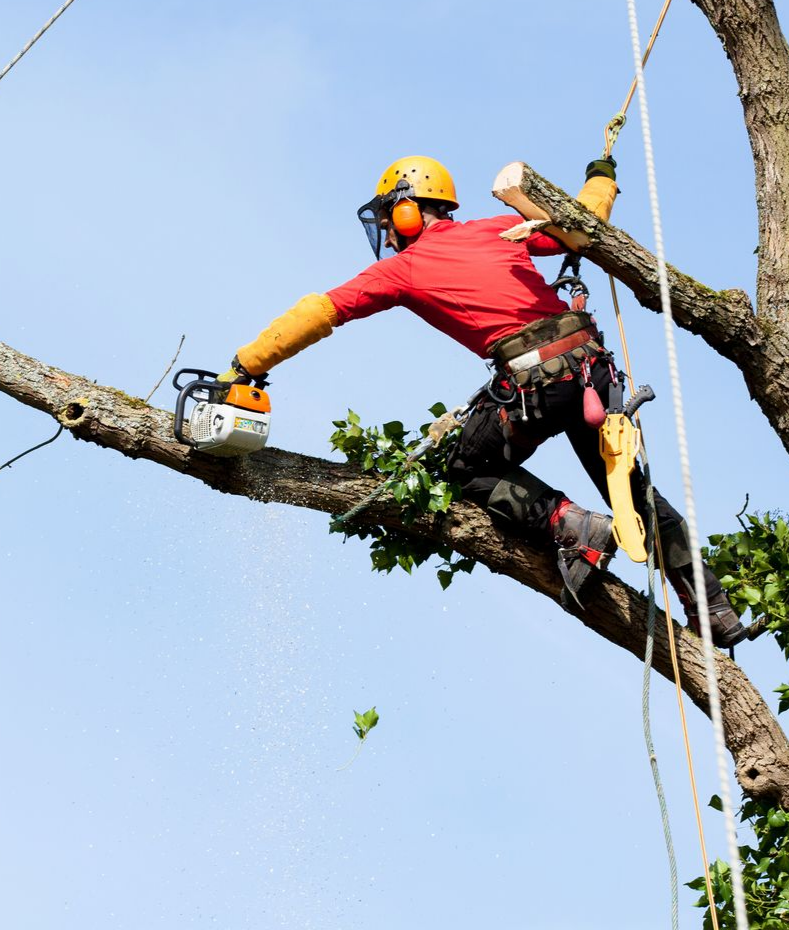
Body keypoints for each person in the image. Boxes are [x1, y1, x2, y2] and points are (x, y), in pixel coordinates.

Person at [223, 155, 748, 647]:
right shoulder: (497, 230)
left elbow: (321, 311)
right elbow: (584, 224)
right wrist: (602, 176)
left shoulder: (402, 270)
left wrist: (247, 364)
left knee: (462, 468)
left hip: (536, 383)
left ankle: (569, 523)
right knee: (631, 494)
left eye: (388, 218)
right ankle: (714, 608)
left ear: (407, 209)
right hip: (588, 371)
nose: (386, 231)